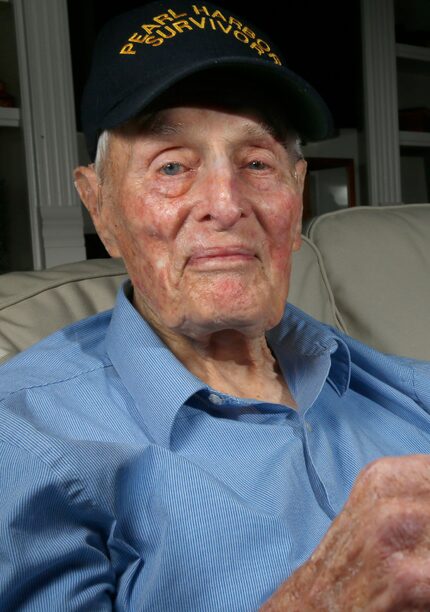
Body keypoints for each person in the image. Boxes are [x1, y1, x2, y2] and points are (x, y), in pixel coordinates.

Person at [1, 1, 430, 610]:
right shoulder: (23, 438)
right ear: (100, 207)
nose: (226, 203)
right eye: (172, 166)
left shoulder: (405, 387)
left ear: (298, 194)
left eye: (258, 163)